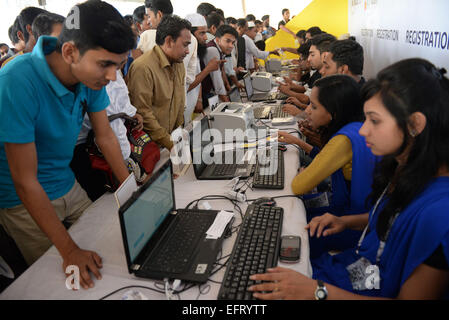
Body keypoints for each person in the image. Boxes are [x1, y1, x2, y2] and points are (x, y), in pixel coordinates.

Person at [250, 58, 449, 300]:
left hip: (370, 284)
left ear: (415, 124)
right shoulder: (408, 167)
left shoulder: (441, 214)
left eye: (374, 120)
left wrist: (318, 291)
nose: (363, 130)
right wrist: (346, 222)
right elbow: (394, 218)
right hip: (363, 270)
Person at [0, 0, 134, 289]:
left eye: (119, 65)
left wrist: (131, 189)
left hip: (66, 183)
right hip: (22, 199)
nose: (112, 76)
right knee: (67, 280)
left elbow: (105, 135)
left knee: (110, 251)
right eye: (105, 65)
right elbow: (24, 181)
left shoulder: (90, 77)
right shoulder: (16, 80)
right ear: (70, 52)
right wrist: (69, 250)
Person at [278, 75, 378, 258]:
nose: (307, 111)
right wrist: (297, 141)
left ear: (334, 112)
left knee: (289, 227)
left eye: (314, 106)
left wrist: (305, 171)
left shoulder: (343, 140)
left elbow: (299, 185)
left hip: (356, 224)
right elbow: (327, 159)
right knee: (299, 209)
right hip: (357, 212)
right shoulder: (355, 127)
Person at [127, 15, 191, 151]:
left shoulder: (178, 63)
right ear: (168, 41)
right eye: (185, 45)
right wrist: (169, 142)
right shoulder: (143, 67)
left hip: (171, 141)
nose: (188, 51)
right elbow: (143, 112)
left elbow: (179, 100)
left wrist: (177, 136)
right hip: (151, 146)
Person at [183, 13, 223, 123]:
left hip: (194, 105)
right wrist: (208, 69)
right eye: (202, 33)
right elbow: (186, 86)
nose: (205, 37)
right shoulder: (185, 53)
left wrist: (199, 99)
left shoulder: (197, 50)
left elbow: (197, 78)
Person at [201, 24, 238, 103]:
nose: (231, 46)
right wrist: (226, 101)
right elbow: (216, 78)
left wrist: (227, 87)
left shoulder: (220, 49)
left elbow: (222, 71)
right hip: (202, 94)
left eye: (233, 42)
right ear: (217, 40)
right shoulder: (212, 50)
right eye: (228, 41)